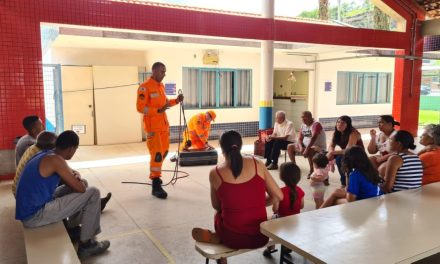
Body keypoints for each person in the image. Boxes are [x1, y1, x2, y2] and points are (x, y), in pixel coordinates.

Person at [15, 131, 110, 259]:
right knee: (93, 192)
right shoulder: (56, 160)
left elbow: (71, 173)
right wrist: (76, 178)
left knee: (83, 184)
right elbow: (81, 188)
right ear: (71, 149)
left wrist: (75, 176)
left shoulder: (48, 154)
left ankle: (72, 227)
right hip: (34, 216)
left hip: (35, 206)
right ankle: (87, 245)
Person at [191, 130, 283, 263]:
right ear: (240, 146)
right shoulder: (258, 164)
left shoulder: (215, 173)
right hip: (260, 236)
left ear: (221, 148)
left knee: (218, 214)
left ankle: (222, 255)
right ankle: (219, 237)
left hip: (231, 238)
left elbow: (216, 206)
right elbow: (278, 196)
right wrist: (258, 204)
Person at [13, 131, 112, 211]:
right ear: (71, 149)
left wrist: (73, 175)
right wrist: (74, 177)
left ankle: (88, 210)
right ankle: (87, 229)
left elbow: (64, 169)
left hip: (28, 201)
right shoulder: (53, 158)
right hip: (34, 210)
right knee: (91, 191)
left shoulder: (41, 152)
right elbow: (80, 188)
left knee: (79, 184)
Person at [136, 62, 184, 199]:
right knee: (157, 155)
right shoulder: (144, 88)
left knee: (164, 152)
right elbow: (140, 108)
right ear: (155, 71)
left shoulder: (160, 86)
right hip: (153, 128)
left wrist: (176, 100)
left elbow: (165, 104)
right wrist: (156, 110)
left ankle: (157, 177)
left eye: (165, 71)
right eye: (163, 72)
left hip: (163, 127)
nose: (164, 74)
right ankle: (155, 184)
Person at [263, 162, 304, 257]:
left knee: (269, 224)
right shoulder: (300, 190)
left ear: (282, 177)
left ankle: (271, 247)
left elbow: (275, 210)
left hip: (282, 219)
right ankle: (287, 247)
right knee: (287, 227)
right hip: (295, 220)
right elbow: (301, 206)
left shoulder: (280, 191)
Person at [12, 131, 57, 197]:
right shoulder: (43, 156)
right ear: (51, 145)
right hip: (23, 194)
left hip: (17, 188)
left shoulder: (33, 147)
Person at [327, 116, 364, 187]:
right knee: (321, 155)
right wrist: (330, 152)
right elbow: (331, 146)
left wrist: (332, 153)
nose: (339, 124)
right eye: (338, 122)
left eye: (343, 123)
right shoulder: (336, 133)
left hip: (358, 155)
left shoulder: (354, 133)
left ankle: (344, 183)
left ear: (348, 125)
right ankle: (322, 176)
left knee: (340, 159)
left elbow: (348, 150)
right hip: (346, 153)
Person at [287, 111, 326, 177]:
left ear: (310, 117)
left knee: (310, 150)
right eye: (302, 117)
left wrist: (307, 149)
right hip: (305, 146)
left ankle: (311, 170)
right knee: (290, 146)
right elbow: (300, 138)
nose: (303, 119)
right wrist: (301, 147)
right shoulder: (303, 125)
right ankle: (294, 167)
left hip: (318, 148)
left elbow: (314, 137)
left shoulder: (316, 124)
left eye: (305, 117)